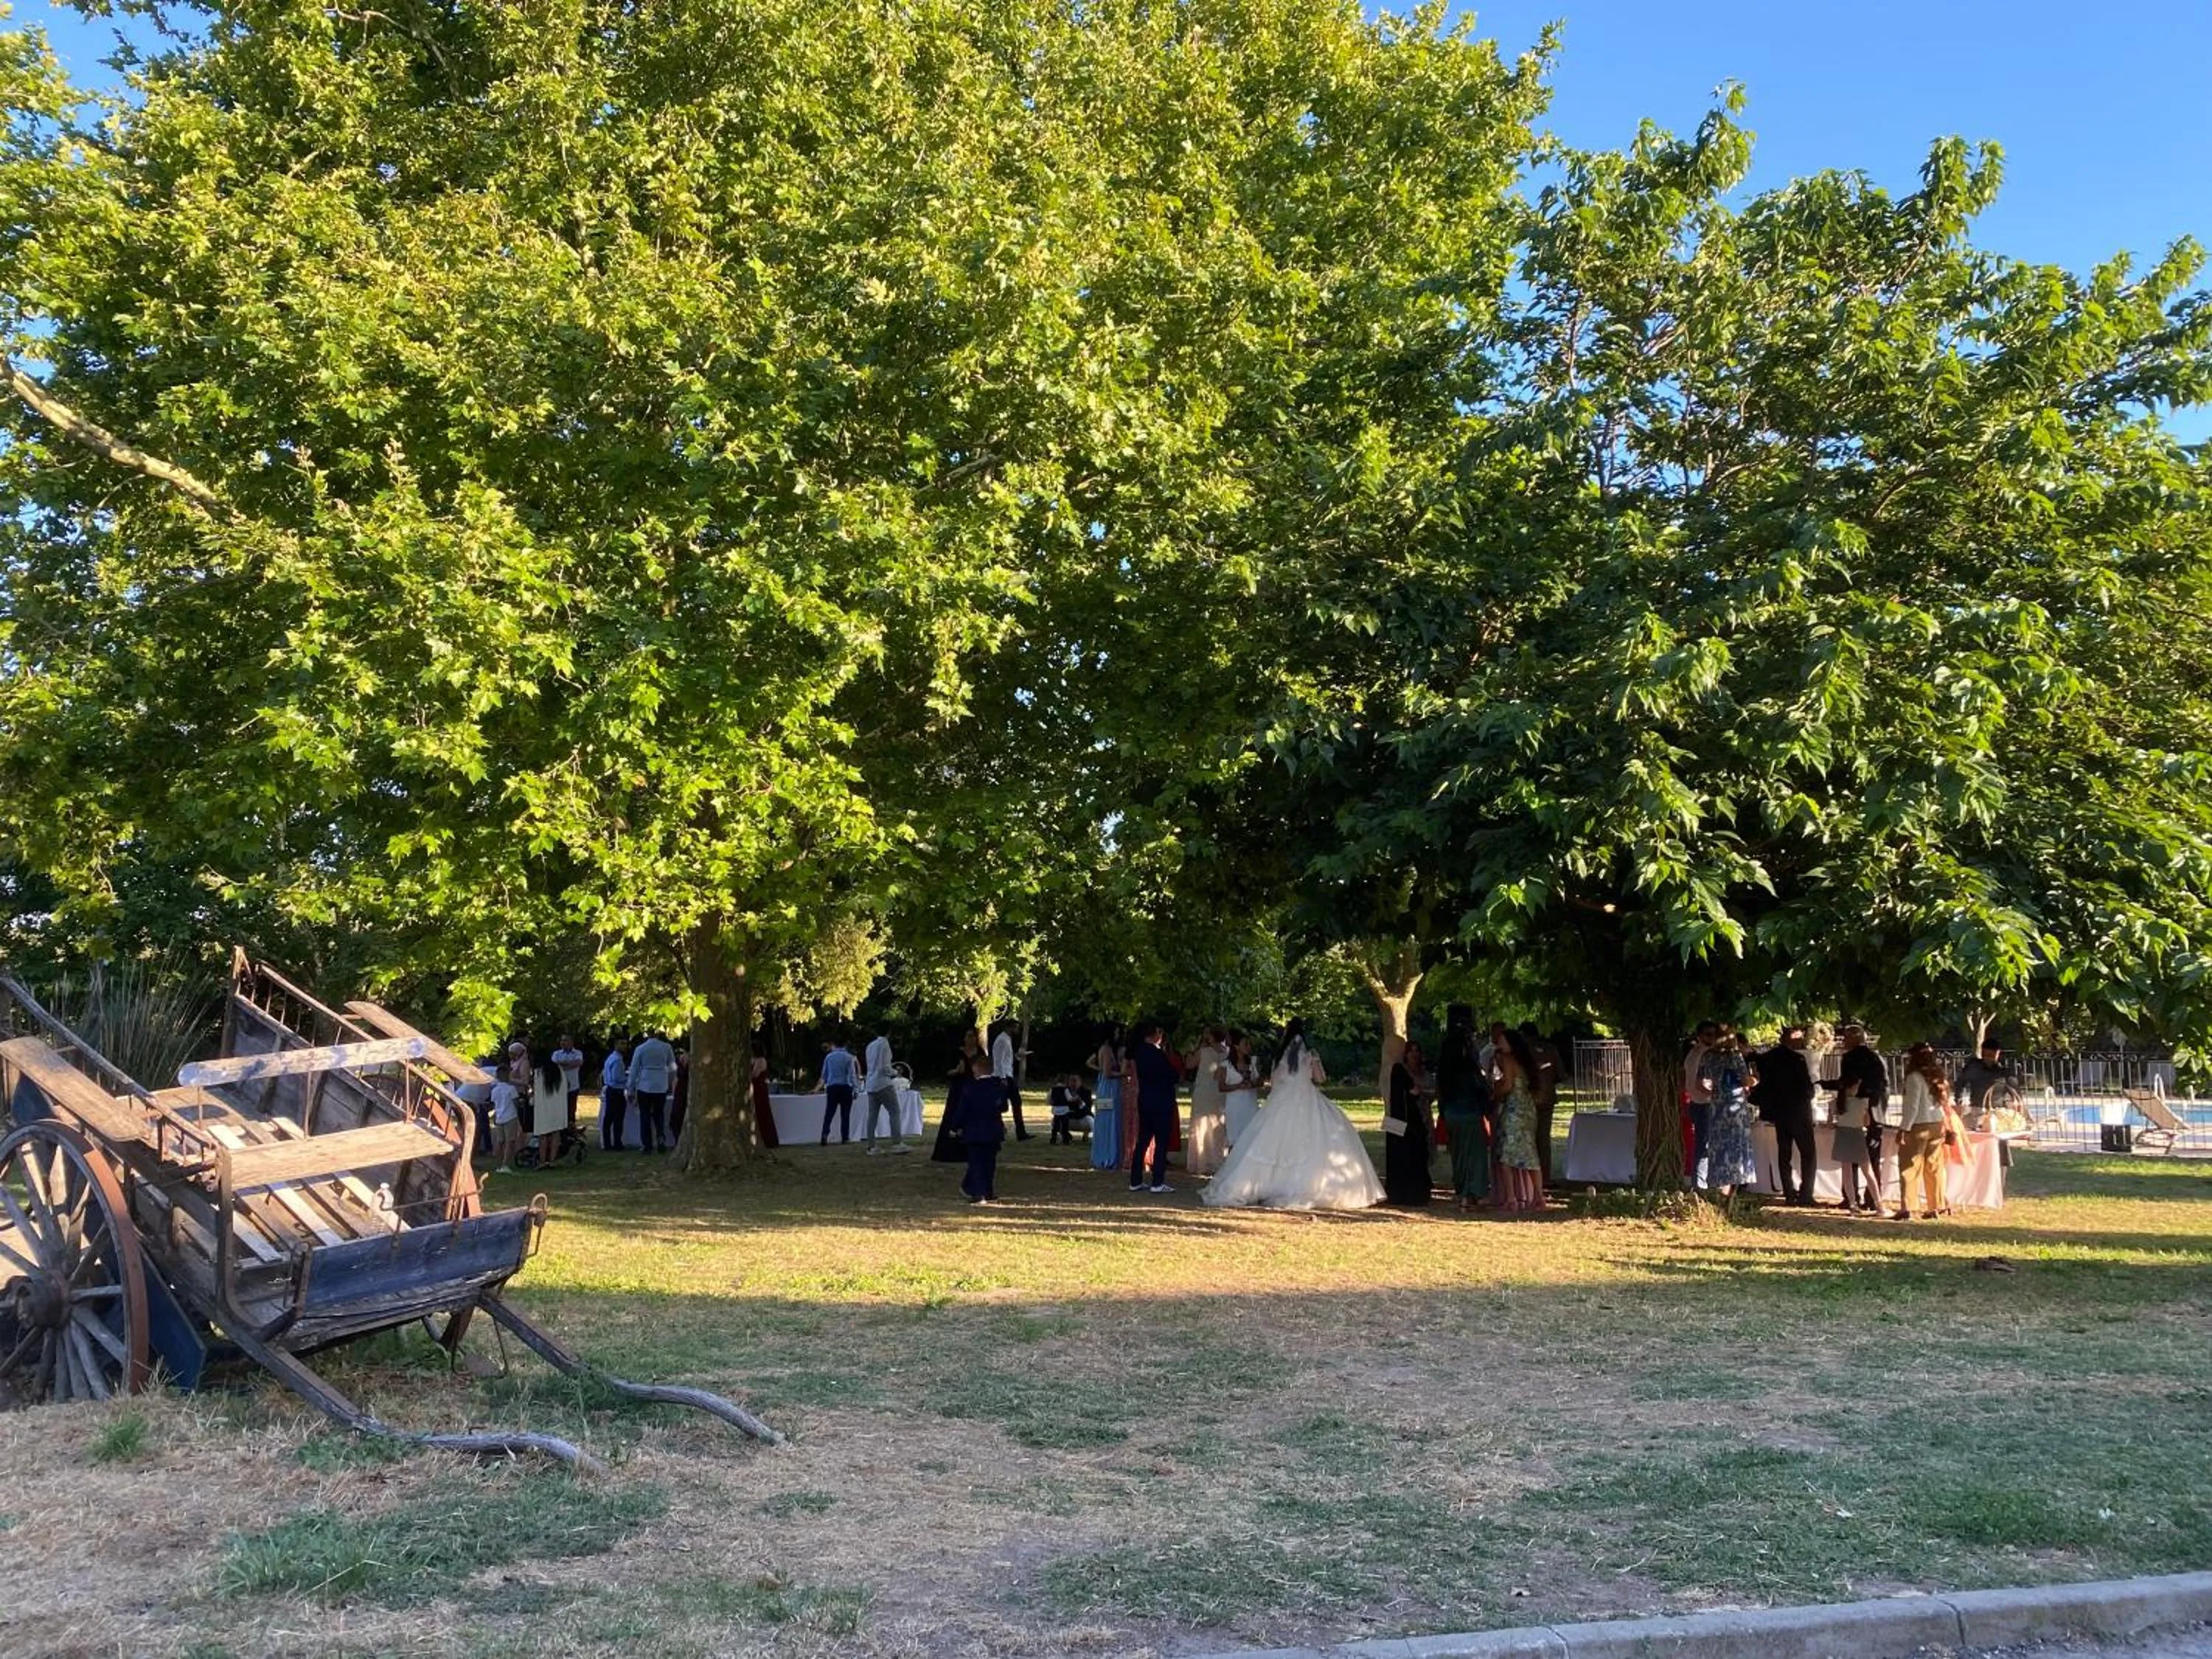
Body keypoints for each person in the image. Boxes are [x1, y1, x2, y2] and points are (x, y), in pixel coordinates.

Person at [1204, 1019, 1382, 1211]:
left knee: (1272, 1142)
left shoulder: (1279, 1059)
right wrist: (1316, 1060)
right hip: (1306, 1099)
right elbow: (1321, 1079)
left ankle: (1264, 1184)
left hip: (1282, 1101)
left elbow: (1275, 1082)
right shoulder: (1308, 1056)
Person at [1826, 1025, 1890, 1213]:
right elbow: (1883, 1086)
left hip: (1851, 1120)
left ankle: (1851, 1200)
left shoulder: (1849, 1060)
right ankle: (1874, 1201)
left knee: (1850, 1165)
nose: (1844, 1042)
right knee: (1871, 1161)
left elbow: (1844, 1083)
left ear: (1854, 1039)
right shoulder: (1877, 1058)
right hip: (1874, 1111)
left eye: (1846, 1038)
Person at [1753, 1026, 1819, 1206]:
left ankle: (1789, 1193)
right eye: (1798, 1038)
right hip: (1799, 1111)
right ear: (1791, 1039)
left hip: (1779, 1112)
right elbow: (1807, 1088)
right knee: (1808, 1154)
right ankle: (1806, 1195)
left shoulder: (1767, 1059)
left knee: (1784, 1154)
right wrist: (1810, 1095)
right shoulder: (1797, 1059)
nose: (1801, 1041)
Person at [1434, 1004, 1491, 1211]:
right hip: (1470, 1112)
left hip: (1452, 1113)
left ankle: (1462, 1192)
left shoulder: (1445, 1071)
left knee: (1458, 1153)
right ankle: (1472, 1192)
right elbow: (1481, 1091)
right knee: (1474, 1154)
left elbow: (1440, 1090)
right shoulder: (1470, 1070)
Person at [1696, 1032, 1758, 1198]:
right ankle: (1731, 1191)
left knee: (1718, 1147)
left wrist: (1714, 1094)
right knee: (1736, 1147)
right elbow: (1746, 1080)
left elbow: (1699, 1083)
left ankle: (1718, 1186)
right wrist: (1755, 1080)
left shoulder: (1707, 1056)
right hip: (1734, 1106)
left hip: (1717, 1106)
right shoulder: (1735, 1056)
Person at [1895, 1042, 1951, 1221]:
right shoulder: (1938, 1076)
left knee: (1910, 1166)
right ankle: (1936, 1206)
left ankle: (1908, 1207)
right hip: (1937, 1123)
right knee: (1934, 1167)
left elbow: (1912, 1107)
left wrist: (1904, 1128)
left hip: (1919, 1125)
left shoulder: (1914, 1078)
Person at [1493, 1028, 1544, 1211]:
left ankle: (1511, 1198)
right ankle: (1539, 1196)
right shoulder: (1526, 1062)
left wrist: (1495, 1092)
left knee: (1506, 1154)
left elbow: (1507, 1085)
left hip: (1514, 1109)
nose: (1498, 1044)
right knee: (1530, 1152)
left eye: (1501, 1041)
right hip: (1528, 1110)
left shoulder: (1508, 1060)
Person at [1129, 1023, 1179, 1193]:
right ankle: (1157, 1181)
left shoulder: (1139, 1052)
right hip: (1161, 1101)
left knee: (1143, 1140)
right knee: (1161, 1142)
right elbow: (1172, 1075)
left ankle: (1135, 1180)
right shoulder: (1157, 1054)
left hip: (1145, 1099)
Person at [1382, 1040, 1433, 1206]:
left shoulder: (1390, 1070)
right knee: (1407, 1152)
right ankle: (1409, 1192)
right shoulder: (1398, 1070)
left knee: (1401, 1153)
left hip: (1396, 1117)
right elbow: (1413, 1092)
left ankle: (1401, 1191)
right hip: (1404, 1118)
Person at [951, 1050, 1006, 1203]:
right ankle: (988, 1191)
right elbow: (1004, 1107)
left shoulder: (970, 1088)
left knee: (976, 1163)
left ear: (977, 1068)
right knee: (990, 1162)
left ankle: (978, 1193)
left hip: (974, 1130)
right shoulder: (999, 1086)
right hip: (993, 1129)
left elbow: (962, 1110)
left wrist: (954, 1127)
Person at [1519, 1022, 1561, 1186]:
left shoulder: (1522, 1052)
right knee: (1543, 1138)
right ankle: (1545, 1177)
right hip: (1547, 1097)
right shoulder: (1551, 1049)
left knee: (1528, 1138)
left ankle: (1529, 1178)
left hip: (1529, 1098)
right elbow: (1561, 1073)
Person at [935, 1026, 985, 1163]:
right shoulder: (957, 1053)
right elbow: (946, 1072)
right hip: (959, 1090)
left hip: (974, 1089)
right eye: (968, 1036)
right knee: (954, 1117)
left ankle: (971, 1150)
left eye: (973, 1036)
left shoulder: (980, 1053)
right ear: (964, 1038)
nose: (971, 1039)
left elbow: (986, 1072)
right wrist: (957, 1071)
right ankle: (950, 1151)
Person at [1682, 1020, 1720, 1186]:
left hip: (1696, 1103)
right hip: (1704, 1103)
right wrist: (1718, 1095)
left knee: (1702, 1144)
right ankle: (1700, 1184)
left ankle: (1701, 1183)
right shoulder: (1705, 1055)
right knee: (1704, 1146)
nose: (1712, 1038)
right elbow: (1701, 1084)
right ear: (1699, 1036)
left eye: (1714, 1035)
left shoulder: (1693, 1053)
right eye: (1708, 1034)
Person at [1953, 1037, 2022, 1124]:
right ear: (1982, 1053)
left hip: (1998, 1111)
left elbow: (2015, 1092)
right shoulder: (1974, 1067)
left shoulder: (2004, 1070)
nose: (1989, 1059)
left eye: (1992, 1056)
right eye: (1987, 1055)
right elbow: (1960, 1082)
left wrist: (2018, 1106)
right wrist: (1958, 1100)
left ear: (1998, 1054)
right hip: (1977, 1109)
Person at [860, 1029, 906, 1153]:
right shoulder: (884, 1044)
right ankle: (897, 1143)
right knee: (895, 1111)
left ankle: (872, 1146)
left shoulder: (870, 1046)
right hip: (883, 1084)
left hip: (870, 1084)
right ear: (889, 1033)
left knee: (872, 1116)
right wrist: (896, 1072)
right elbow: (885, 1068)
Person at [630, 1030, 675, 1152]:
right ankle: (661, 1140)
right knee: (659, 1115)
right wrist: (669, 1083)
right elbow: (672, 1068)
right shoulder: (667, 1047)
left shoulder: (641, 1048)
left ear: (647, 1034)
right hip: (661, 1086)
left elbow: (634, 1070)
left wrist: (630, 1087)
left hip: (645, 1085)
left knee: (645, 1116)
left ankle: (647, 1145)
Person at [1217, 1031, 1262, 1149]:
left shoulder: (1252, 1062)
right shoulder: (1225, 1065)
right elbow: (1221, 1087)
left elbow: (1259, 1081)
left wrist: (1252, 1084)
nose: (1249, 1047)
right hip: (1235, 1107)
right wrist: (1238, 1086)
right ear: (1236, 1046)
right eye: (1246, 1044)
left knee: (1251, 1140)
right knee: (1235, 1140)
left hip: (1250, 1106)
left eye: (1249, 1044)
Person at [1088, 1026, 1124, 1171]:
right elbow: (1108, 1073)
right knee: (1110, 1121)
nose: (1118, 1035)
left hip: (1104, 1087)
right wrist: (1125, 1074)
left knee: (1105, 1121)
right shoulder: (1107, 1050)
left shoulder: (1103, 1049)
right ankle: (1108, 1155)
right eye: (1116, 1032)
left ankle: (1103, 1154)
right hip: (1109, 1088)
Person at [990, 1021, 1032, 1141]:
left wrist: (1018, 1056)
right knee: (1001, 1105)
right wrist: (1003, 1078)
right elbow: (998, 1060)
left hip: (1007, 1075)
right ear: (1009, 1028)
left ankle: (1020, 1132)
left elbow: (1006, 1058)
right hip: (1002, 1077)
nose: (1017, 1030)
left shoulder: (1006, 1039)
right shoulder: (1002, 1040)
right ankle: (1000, 1130)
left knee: (1015, 1103)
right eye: (1016, 1028)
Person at [818, 1032, 859, 1145]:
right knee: (845, 1114)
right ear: (845, 1045)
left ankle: (825, 1133)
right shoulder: (849, 1057)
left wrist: (825, 1085)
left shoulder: (829, 1057)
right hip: (845, 1087)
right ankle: (845, 1137)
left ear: (834, 1045)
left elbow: (824, 1075)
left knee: (829, 1112)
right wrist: (856, 1090)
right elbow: (852, 1075)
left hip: (832, 1087)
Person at [599, 1038, 630, 1151]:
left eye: (626, 1044)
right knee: (617, 1118)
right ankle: (617, 1143)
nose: (625, 1046)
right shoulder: (617, 1060)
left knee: (609, 1118)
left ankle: (608, 1143)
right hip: (616, 1091)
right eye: (622, 1044)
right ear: (616, 1045)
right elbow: (617, 1078)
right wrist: (628, 1079)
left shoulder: (611, 1058)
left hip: (611, 1090)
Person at [489, 1075, 523, 1172]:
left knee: (500, 1141)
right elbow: (516, 1102)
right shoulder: (511, 1089)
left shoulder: (494, 1090)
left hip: (500, 1117)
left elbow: (494, 1104)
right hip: (510, 1116)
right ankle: (505, 1164)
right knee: (510, 1141)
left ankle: (499, 1164)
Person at [1048, 1074, 1093, 1143]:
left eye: (1075, 1081)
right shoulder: (1064, 1091)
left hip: (1082, 1118)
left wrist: (1081, 1103)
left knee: (1091, 1121)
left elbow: (1088, 1109)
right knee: (1054, 1122)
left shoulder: (1086, 1092)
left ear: (1080, 1082)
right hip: (1068, 1117)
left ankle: (1088, 1135)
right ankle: (1066, 1136)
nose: (1073, 1084)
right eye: (1071, 1081)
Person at [552, 1035, 584, 1127]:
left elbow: (578, 1063)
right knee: (559, 1110)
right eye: (562, 1040)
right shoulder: (556, 1054)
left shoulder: (577, 1053)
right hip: (559, 1087)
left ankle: (571, 1130)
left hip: (573, 1087)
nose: (563, 1042)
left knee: (571, 1110)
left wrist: (561, 1065)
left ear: (571, 1042)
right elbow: (554, 1066)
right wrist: (569, 1064)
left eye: (565, 1040)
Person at [749, 1050, 780, 1149]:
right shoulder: (753, 1059)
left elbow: (755, 1074)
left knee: (762, 1112)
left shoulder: (761, 1060)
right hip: (754, 1088)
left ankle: (768, 1139)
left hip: (759, 1088)